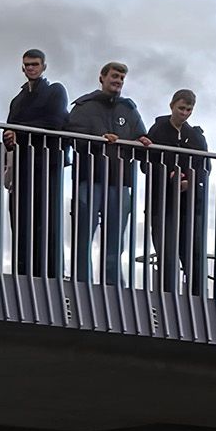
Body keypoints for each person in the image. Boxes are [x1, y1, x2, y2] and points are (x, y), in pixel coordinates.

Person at [66, 62, 151, 285]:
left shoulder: (129, 109)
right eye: (114, 76)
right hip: (89, 179)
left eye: (122, 77)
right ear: (102, 78)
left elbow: (140, 136)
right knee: (83, 235)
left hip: (119, 181)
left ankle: (113, 286)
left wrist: (142, 141)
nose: (118, 81)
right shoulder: (84, 106)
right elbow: (72, 136)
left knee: (115, 239)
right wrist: (99, 138)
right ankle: (81, 282)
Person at [3, 49, 69, 278]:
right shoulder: (18, 100)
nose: (31, 68)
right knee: (21, 220)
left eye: (35, 64)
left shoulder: (55, 91)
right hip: (23, 166)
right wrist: (9, 138)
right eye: (27, 65)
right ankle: (23, 273)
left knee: (47, 220)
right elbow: (9, 128)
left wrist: (19, 132)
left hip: (47, 165)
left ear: (43, 66)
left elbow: (55, 122)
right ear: (23, 68)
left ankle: (49, 274)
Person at [144, 89, 210, 295]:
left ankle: (198, 298)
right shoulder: (157, 130)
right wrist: (168, 175)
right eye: (181, 108)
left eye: (189, 110)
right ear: (172, 105)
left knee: (194, 255)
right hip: (163, 204)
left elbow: (205, 167)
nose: (184, 113)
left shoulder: (196, 137)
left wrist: (190, 181)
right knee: (167, 254)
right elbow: (147, 164)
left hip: (190, 205)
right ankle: (167, 297)